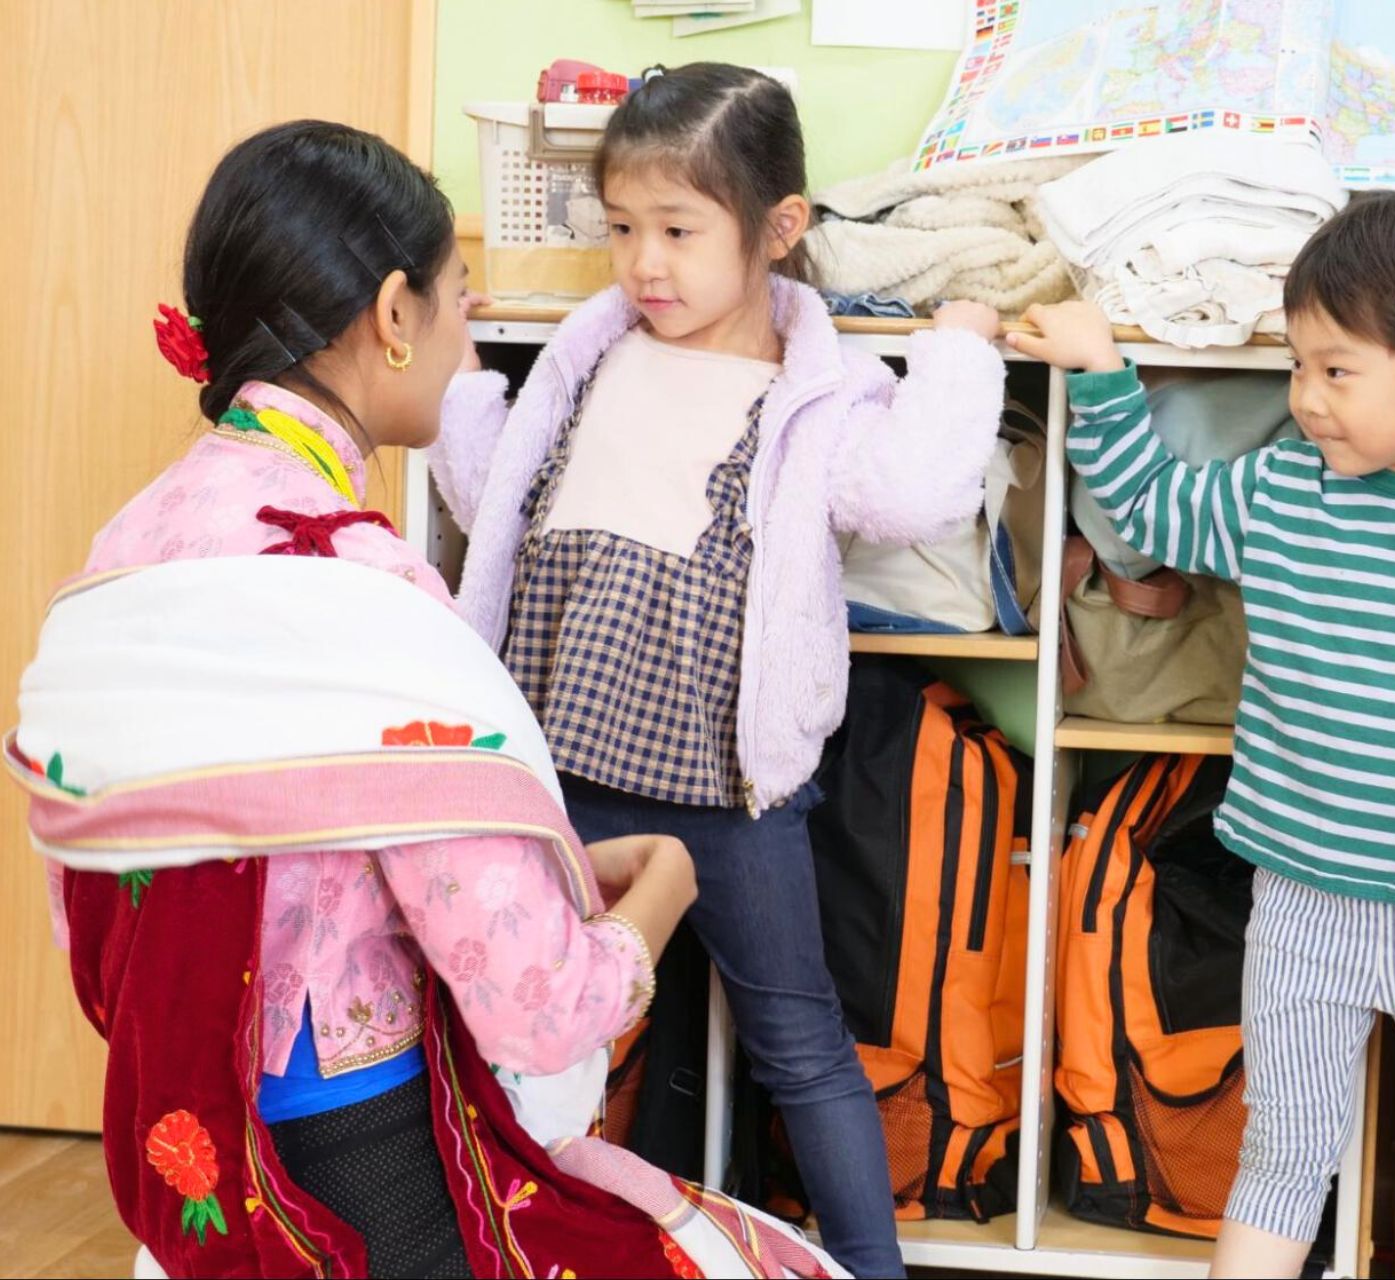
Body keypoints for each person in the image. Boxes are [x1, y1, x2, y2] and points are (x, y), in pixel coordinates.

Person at [9, 118, 842, 1279]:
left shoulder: (122, 553)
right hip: (364, 1173)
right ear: (394, 314)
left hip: (185, 1153)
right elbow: (544, 1009)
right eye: (459, 299)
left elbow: (130, 910)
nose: (466, 343)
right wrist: (653, 900)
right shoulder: (370, 592)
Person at [432, 63, 1008, 1276]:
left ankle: (868, 1264)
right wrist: (465, 380)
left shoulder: (821, 396)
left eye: (680, 231)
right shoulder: (589, 365)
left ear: (778, 229)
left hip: (729, 792)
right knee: (524, 1034)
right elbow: (500, 512)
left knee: (799, 1041)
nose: (645, 263)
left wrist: (958, 354)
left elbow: (912, 492)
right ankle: (516, 1242)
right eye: (624, 227)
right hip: (564, 781)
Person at [1011, 193, 1395, 1280]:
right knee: (1282, 1154)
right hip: (1298, 902)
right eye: (1298, 365)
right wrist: (1099, 371)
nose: (1305, 400)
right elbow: (1146, 509)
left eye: (1337, 371)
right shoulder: (1284, 489)